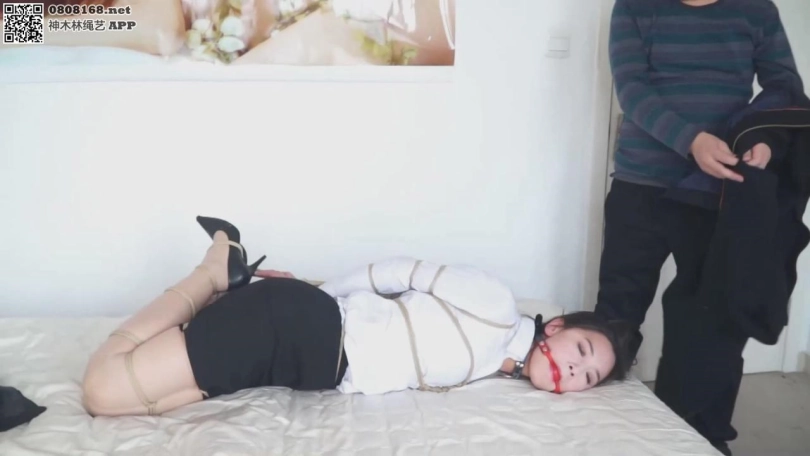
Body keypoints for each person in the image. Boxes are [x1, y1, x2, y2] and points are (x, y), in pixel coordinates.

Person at [81, 216, 634, 417]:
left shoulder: (499, 366)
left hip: (300, 363)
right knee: (105, 392)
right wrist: (315, 292)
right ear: (555, 327)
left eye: (588, 378)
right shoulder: (498, 307)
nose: (575, 372)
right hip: (303, 327)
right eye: (581, 352)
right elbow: (395, 272)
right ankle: (213, 270)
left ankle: (225, 278)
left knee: (147, 403)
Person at [595, 1, 805, 455]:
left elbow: (785, 86)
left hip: (719, 194)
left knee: (714, 326)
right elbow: (631, 88)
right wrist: (691, 141)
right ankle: (602, 434)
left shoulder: (756, 10)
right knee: (616, 317)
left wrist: (764, 139)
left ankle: (700, 440)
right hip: (640, 187)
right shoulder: (634, 6)